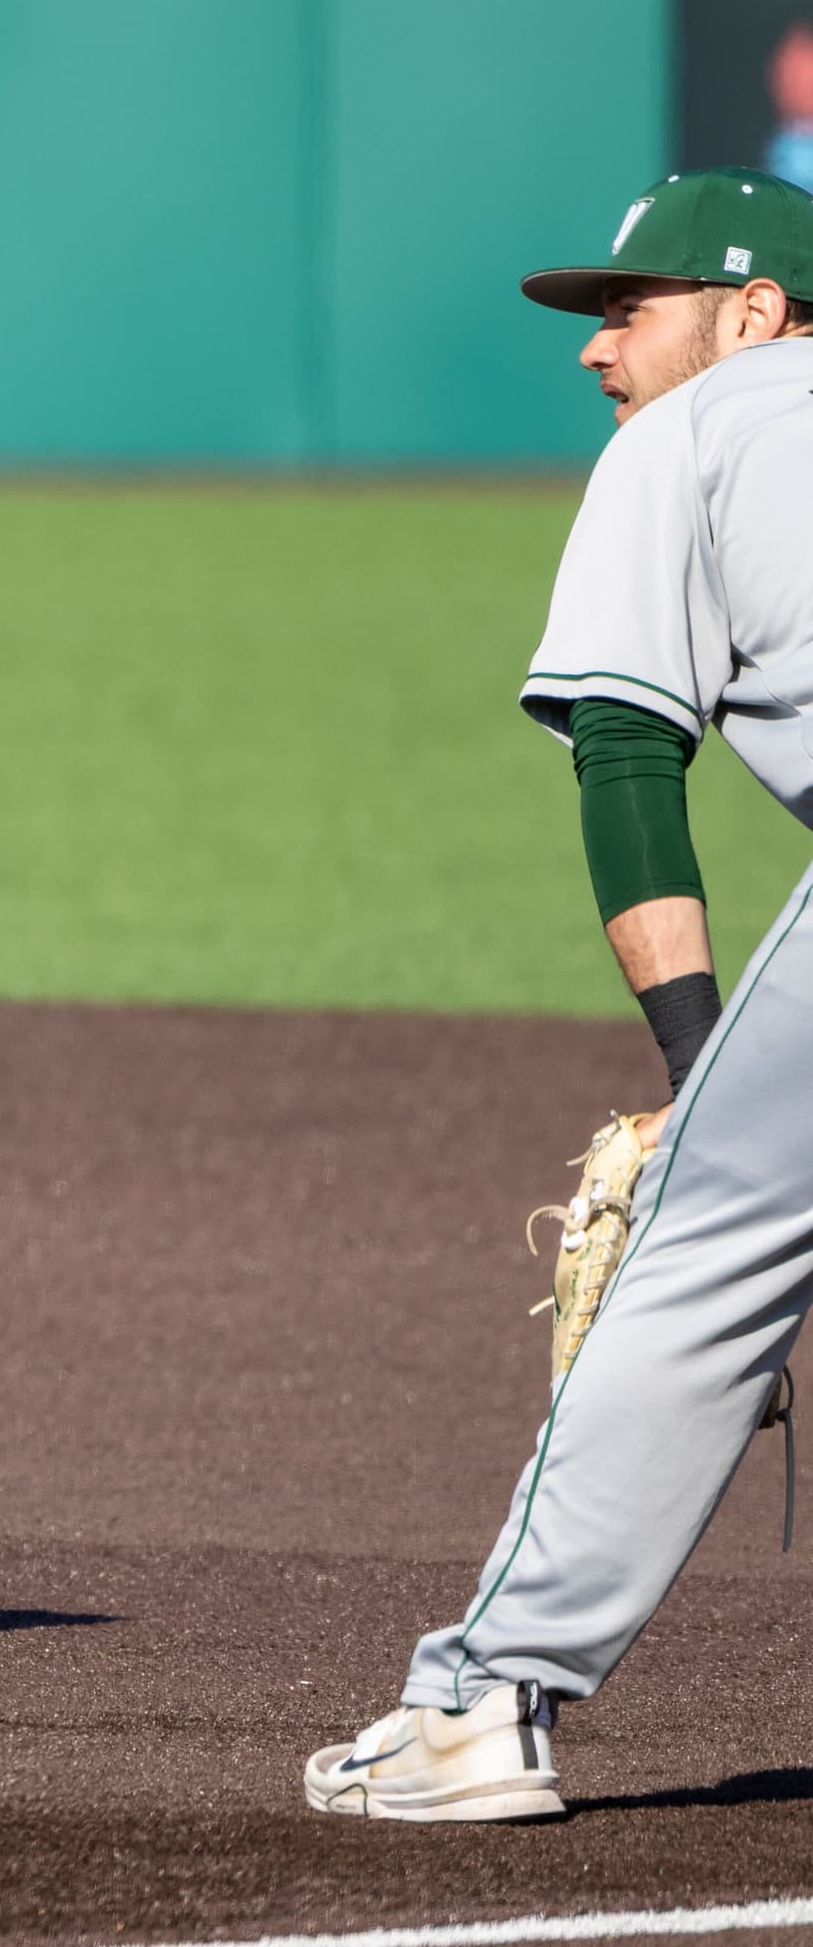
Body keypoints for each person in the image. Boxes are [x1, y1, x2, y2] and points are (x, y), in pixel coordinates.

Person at [304, 169, 813, 1821]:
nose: (599, 353)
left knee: (697, 1254)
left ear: (754, 318)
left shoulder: (692, 433)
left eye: (630, 309)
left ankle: (478, 1706)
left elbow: (624, 754)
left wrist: (697, 1067)